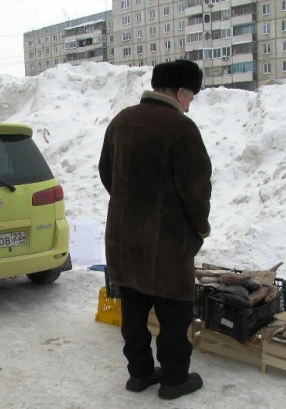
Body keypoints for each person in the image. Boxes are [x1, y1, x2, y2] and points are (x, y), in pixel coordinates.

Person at [98, 60, 212, 401]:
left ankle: (140, 374)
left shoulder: (122, 120)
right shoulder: (181, 127)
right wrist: (199, 229)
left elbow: (106, 171)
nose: (190, 103)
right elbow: (196, 188)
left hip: (123, 237)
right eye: (191, 95)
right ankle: (175, 380)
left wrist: (128, 204)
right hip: (166, 241)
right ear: (180, 92)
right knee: (174, 313)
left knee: (133, 308)